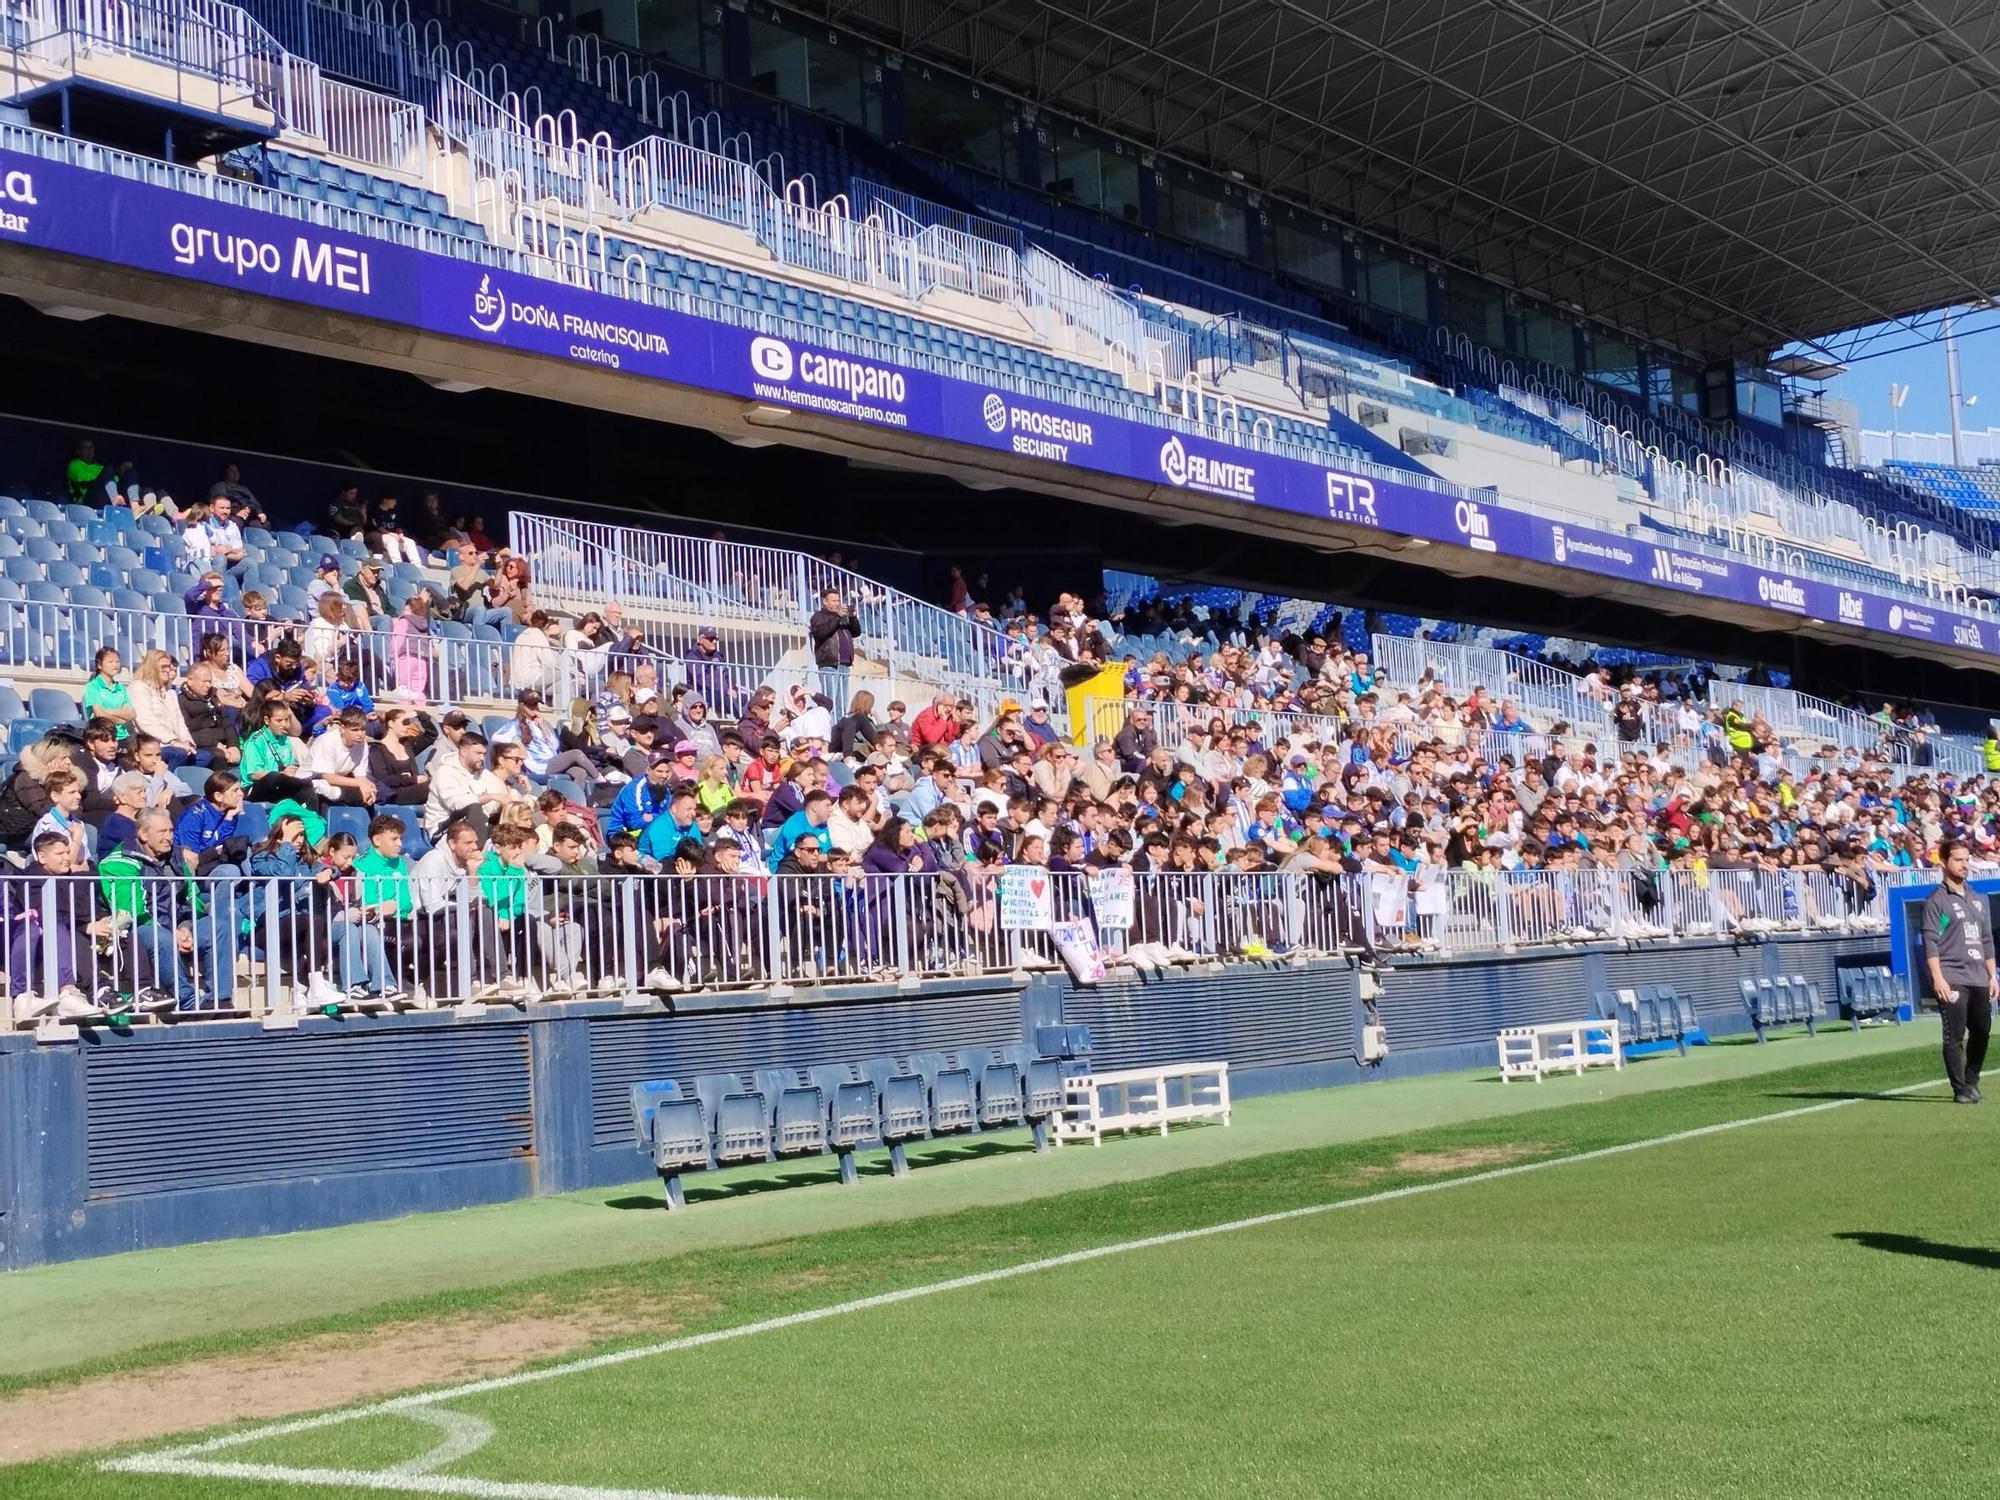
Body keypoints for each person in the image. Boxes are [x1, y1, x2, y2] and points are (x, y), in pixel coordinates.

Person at [1920, 838, 1997, 1105]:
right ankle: (1960, 1089)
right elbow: (1931, 939)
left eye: (1967, 859)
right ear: (1944, 862)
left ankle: (1972, 1079)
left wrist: (1992, 974)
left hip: (1978, 976)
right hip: (1952, 977)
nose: (1964, 865)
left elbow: (1986, 940)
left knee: (1983, 1030)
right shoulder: (1937, 901)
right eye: (1958, 860)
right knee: (1955, 1035)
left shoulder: (1977, 899)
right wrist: (1937, 976)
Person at [808, 586, 860, 706]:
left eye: (838, 600)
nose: (837, 603)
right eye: (834, 601)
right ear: (825, 602)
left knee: (842, 703)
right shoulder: (818, 616)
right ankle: (830, 724)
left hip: (844, 664)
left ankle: (840, 724)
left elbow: (856, 632)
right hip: (829, 664)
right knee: (829, 702)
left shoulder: (841, 617)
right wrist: (837, 617)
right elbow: (821, 632)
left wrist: (852, 617)